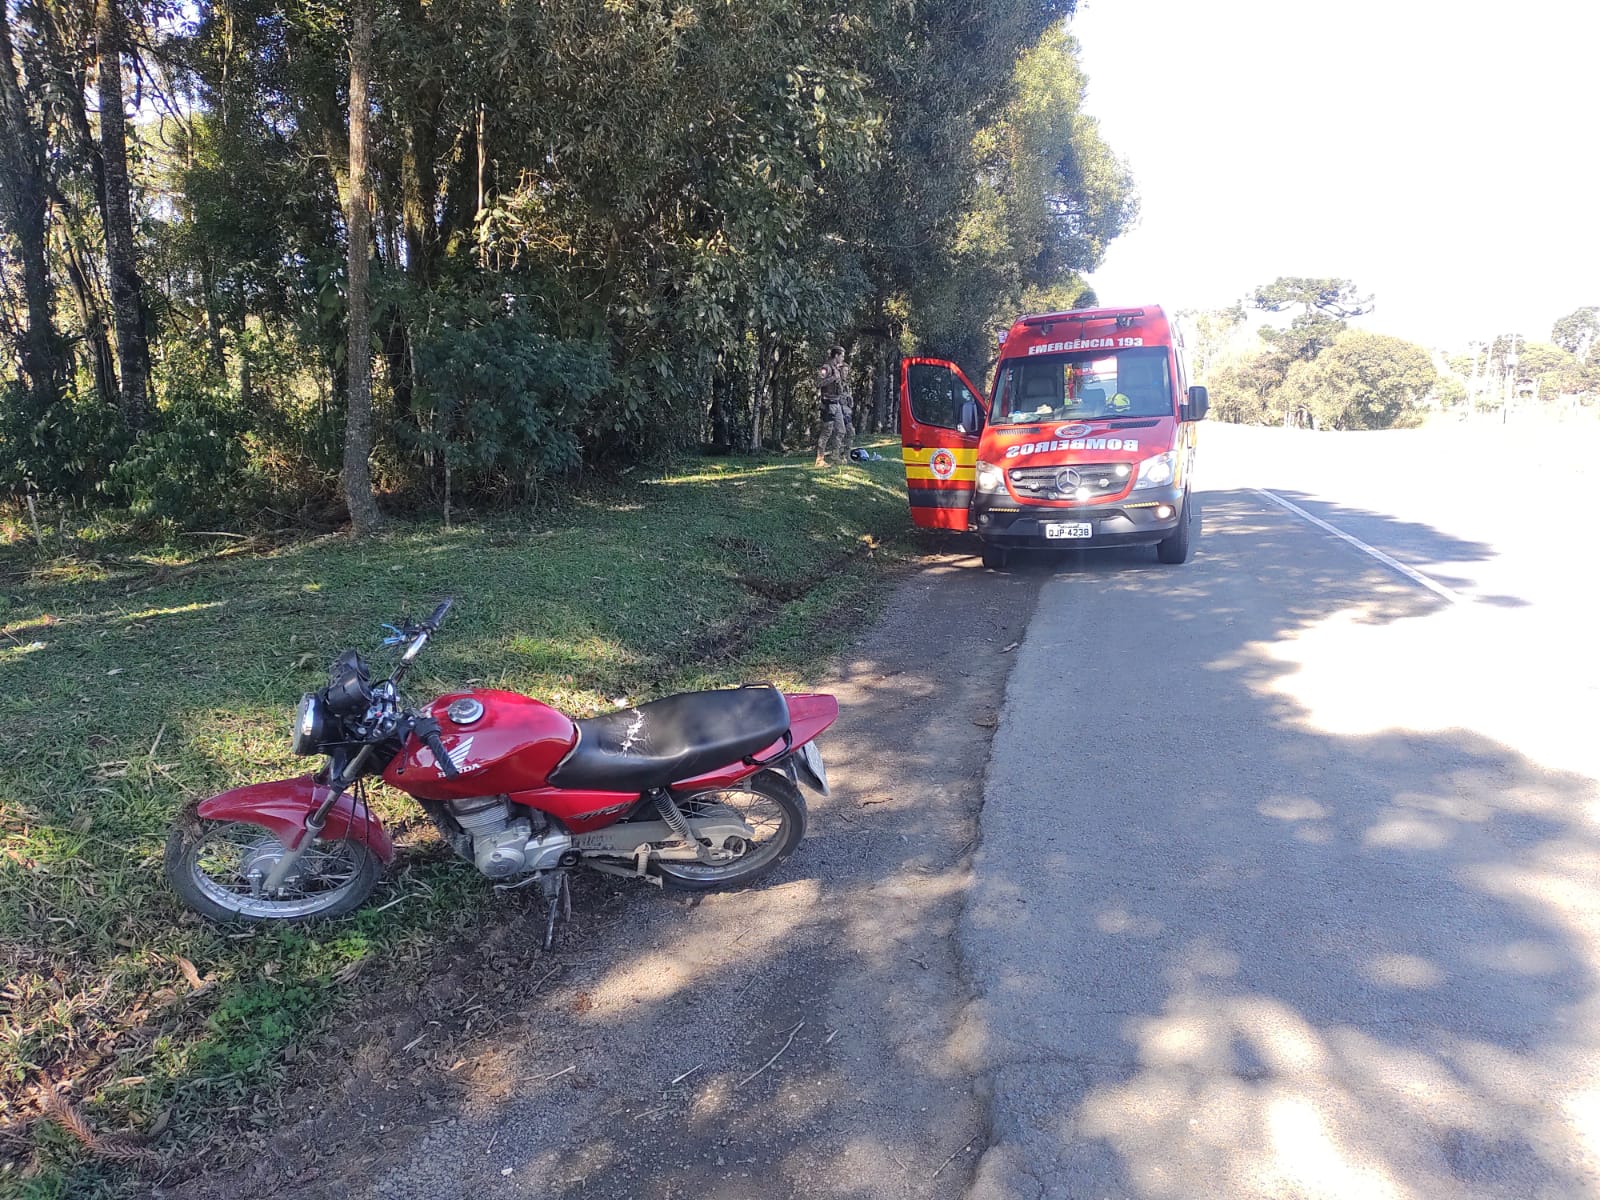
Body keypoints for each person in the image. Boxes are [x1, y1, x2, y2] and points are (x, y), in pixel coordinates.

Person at [814, 345, 852, 466]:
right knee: (827, 431)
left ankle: (835, 456)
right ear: (836, 355)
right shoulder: (827, 368)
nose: (842, 358)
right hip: (828, 403)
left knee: (841, 430)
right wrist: (832, 378)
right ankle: (819, 459)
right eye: (842, 356)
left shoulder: (836, 368)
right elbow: (818, 383)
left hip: (837, 403)